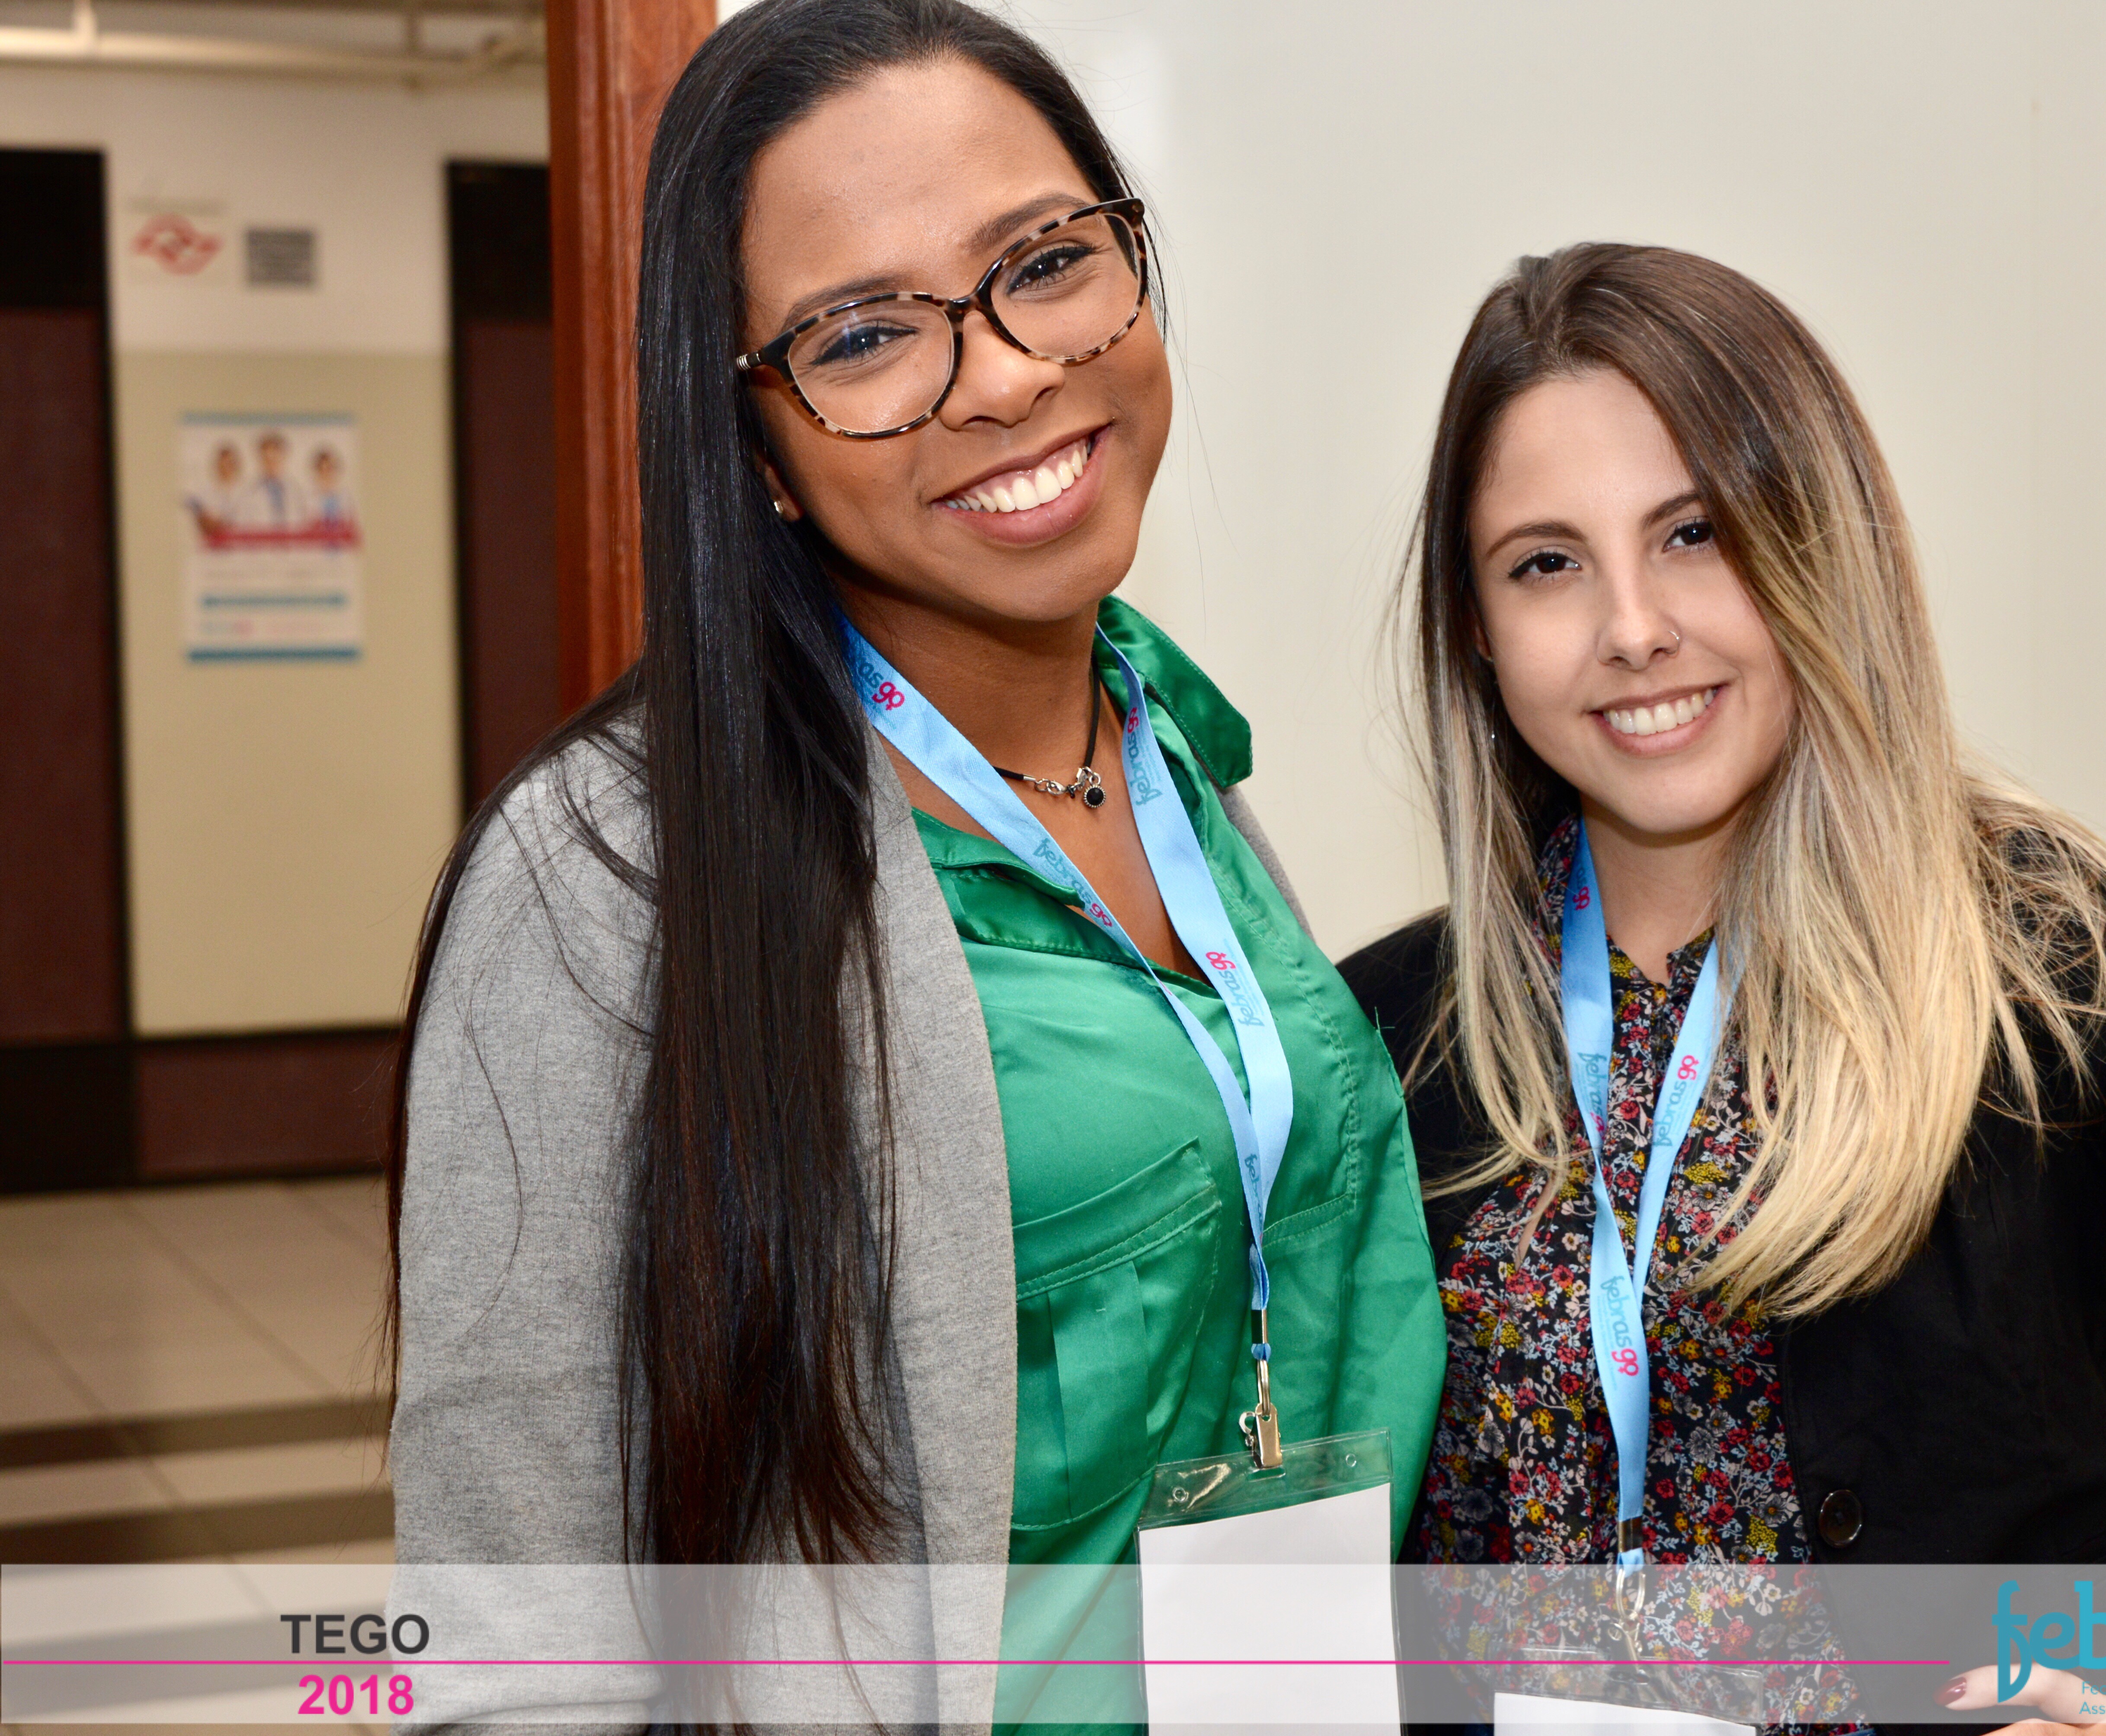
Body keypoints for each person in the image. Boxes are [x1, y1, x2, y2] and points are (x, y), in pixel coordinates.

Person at [1338, 244, 2106, 1733]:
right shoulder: (1377, 1039)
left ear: (1820, 547)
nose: (1632, 625)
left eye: (1694, 532)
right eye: (1546, 562)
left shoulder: (2047, 974)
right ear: (1476, 627)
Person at [386, 0, 1443, 1726]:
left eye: (1046, 263)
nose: (1008, 374)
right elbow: (509, 1624)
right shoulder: (605, 876)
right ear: (756, 443)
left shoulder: (1169, 752)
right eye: (867, 334)